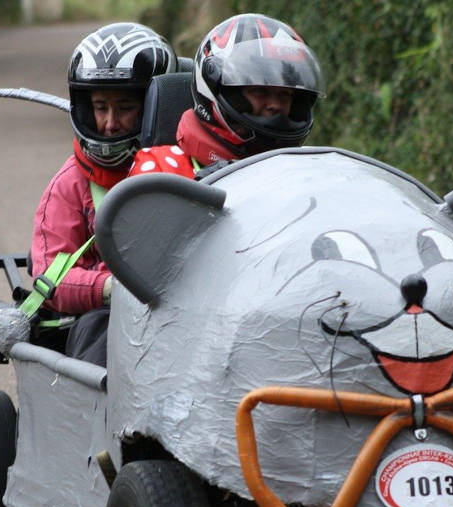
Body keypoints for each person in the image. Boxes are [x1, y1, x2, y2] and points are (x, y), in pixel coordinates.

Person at [29, 23, 176, 365]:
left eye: (125, 107)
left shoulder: (186, 170)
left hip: (180, 313)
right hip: (102, 319)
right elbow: (51, 277)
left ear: (154, 104)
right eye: (99, 107)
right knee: (103, 328)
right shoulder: (70, 185)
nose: (109, 123)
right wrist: (114, 290)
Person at [130, 13, 325, 179]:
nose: (275, 104)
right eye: (260, 91)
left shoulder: (304, 175)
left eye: (284, 94)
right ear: (216, 88)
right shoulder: (160, 169)